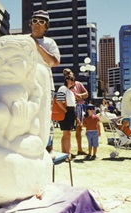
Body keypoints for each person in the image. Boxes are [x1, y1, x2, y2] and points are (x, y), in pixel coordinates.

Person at [29, 10, 60, 153]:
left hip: (46, 86)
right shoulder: (23, 39)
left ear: (46, 26)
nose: (37, 24)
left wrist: (37, 46)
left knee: (45, 116)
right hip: (26, 84)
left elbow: (54, 61)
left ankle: (48, 148)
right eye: (34, 20)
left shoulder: (50, 42)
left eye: (41, 21)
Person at [63, 68, 89, 156]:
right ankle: (67, 152)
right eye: (66, 74)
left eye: (69, 73)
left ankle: (79, 149)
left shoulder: (78, 84)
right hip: (70, 108)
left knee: (79, 128)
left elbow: (86, 93)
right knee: (67, 131)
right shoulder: (65, 87)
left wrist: (79, 96)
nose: (68, 75)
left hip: (79, 107)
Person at [56, 75, 76, 161]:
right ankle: (68, 154)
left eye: (73, 80)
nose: (72, 82)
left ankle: (65, 153)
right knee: (67, 134)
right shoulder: (63, 88)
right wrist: (65, 111)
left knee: (67, 134)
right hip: (67, 111)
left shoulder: (70, 91)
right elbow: (58, 101)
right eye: (70, 80)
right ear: (66, 80)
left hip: (70, 111)